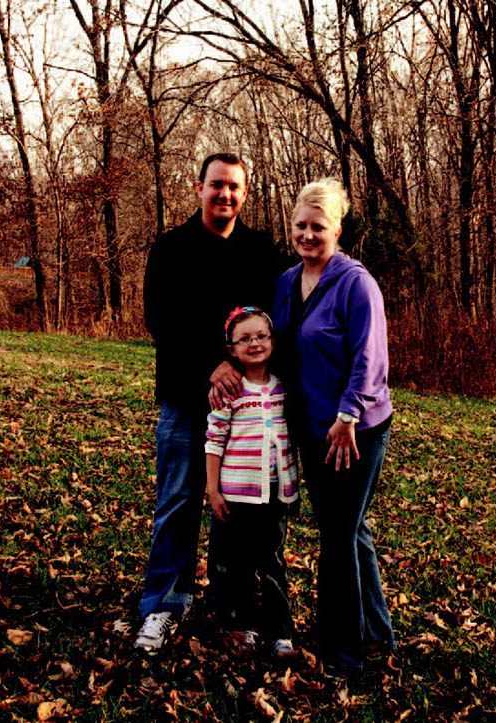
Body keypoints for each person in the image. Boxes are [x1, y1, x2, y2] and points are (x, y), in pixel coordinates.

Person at [136, 153, 281, 654]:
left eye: (234, 187)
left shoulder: (261, 251)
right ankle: (163, 605)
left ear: (245, 192)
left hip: (242, 407)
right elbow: (161, 320)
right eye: (216, 185)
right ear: (198, 188)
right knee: (178, 503)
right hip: (184, 399)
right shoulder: (171, 248)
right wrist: (209, 367)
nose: (225, 195)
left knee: (235, 510)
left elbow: (271, 323)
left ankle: (229, 604)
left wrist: (238, 369)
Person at [272, 178, 395, 674]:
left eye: (317, 227)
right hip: (310, 426)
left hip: (354, 430)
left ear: (337, 228)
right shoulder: (286, 281)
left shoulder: (356, 283)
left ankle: (345, 654)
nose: (306, 234)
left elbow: (370, 357)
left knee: (338, 537)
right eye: (300, 225)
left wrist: (347, 417)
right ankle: (377, 635)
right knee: (348, 529)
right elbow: (278, 343)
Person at [205, 306, 298, 656]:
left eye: (261, 336)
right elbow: (214, 440)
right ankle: (242, 626)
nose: (254, 344)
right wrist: (213, 490)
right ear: (231, 349)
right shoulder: (229, 390)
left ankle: (279, 631)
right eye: (244, 339)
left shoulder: (284, 388)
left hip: (274, 494)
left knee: (272, 561)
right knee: (238, 563)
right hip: (236, 494)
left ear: (273, 341)